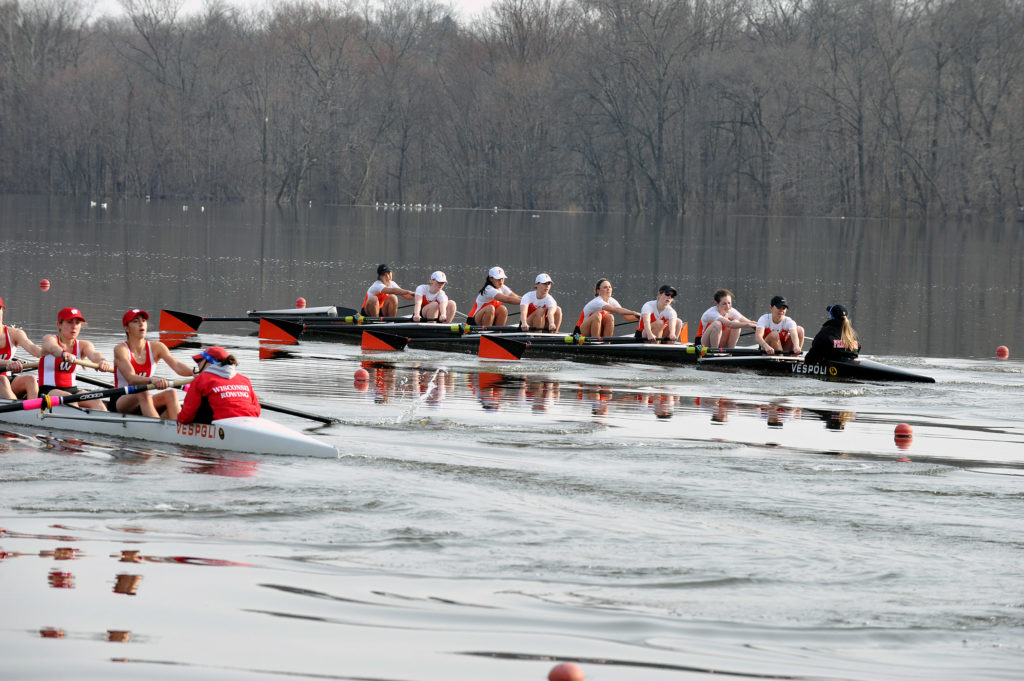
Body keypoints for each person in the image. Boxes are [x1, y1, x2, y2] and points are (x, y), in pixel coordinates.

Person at [112, 309, 195, 419]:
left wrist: (197, 372)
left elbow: (177, 366)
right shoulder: (121, 349)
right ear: (127, 328)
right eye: (136, 321)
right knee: (143, 393)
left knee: (171, 394)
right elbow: (131, 378)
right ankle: (158, 430)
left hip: (143, 398)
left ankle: (179, 430)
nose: (141, 323)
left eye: (144, 320)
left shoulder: (157, 347)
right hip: (122, 399)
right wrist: (152, 380)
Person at [39, 307, 113, 410]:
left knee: (97, 401)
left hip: (73, 391)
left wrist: (102, 361)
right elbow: (52, 348)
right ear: (59, 324)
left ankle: (106, 424)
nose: (74, 327)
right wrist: (62, 353)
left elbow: (94, 354)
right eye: (69, 322)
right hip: (48, 391)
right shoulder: (49, 339)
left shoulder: (83, 345)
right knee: (70, 399)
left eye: (77, 323)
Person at [177, 346, 261, 425]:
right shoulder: (244, 380)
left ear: (209, 362)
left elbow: (185, 418)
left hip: (222, 428)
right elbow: (257, 410)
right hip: (250, 424)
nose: (198, 364)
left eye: (200, 360)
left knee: (170, 397)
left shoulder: (201, 379)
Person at [0, 296, 45, 400]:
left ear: (3, 311)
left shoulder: (14, 333)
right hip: (2, 380)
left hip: (7, 379)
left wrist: (55, 354)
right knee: (2, 380)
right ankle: (19, 412)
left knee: (32, 379)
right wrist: (7, 362)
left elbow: (33, 348)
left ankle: (32, 411)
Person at [574, 279, 641, 338]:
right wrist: (633, 312)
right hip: (579, 333)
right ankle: (595, 342)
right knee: (597, 315)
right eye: (605, 287)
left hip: (595, 330)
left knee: (610, 317)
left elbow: (628, 317)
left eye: (610, 287)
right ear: (598, 291)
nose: (608, 289)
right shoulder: (597, 301)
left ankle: (606, 343)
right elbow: (617, 310)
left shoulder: (611, 300)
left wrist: (643, 318)